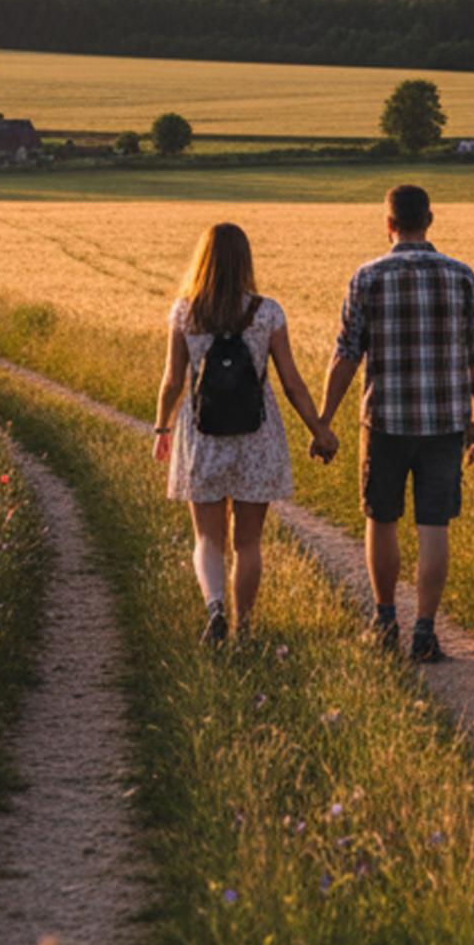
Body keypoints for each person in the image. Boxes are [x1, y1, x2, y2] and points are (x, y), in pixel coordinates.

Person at [319, 184, 474, 662]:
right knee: (434, 524)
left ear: (388, 223)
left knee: (381, 518)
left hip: (384, 421)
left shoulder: (367, 277)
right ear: (430, 220)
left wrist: (324, 420)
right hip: (444, 422)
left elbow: (346, 356)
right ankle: (425, 631)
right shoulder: (461, 277)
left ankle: (384, 620)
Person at [153, 222, 339, 645]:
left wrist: (162, 428)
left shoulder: (185, 312)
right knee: (248, 542)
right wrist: (320, 430)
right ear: (245, 262)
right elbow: (292, 382)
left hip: (203, 435)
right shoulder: (268, 312)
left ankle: (215, 607)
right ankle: (244, 628)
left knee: (207, 536)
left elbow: (172, 381)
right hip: (257, 436)